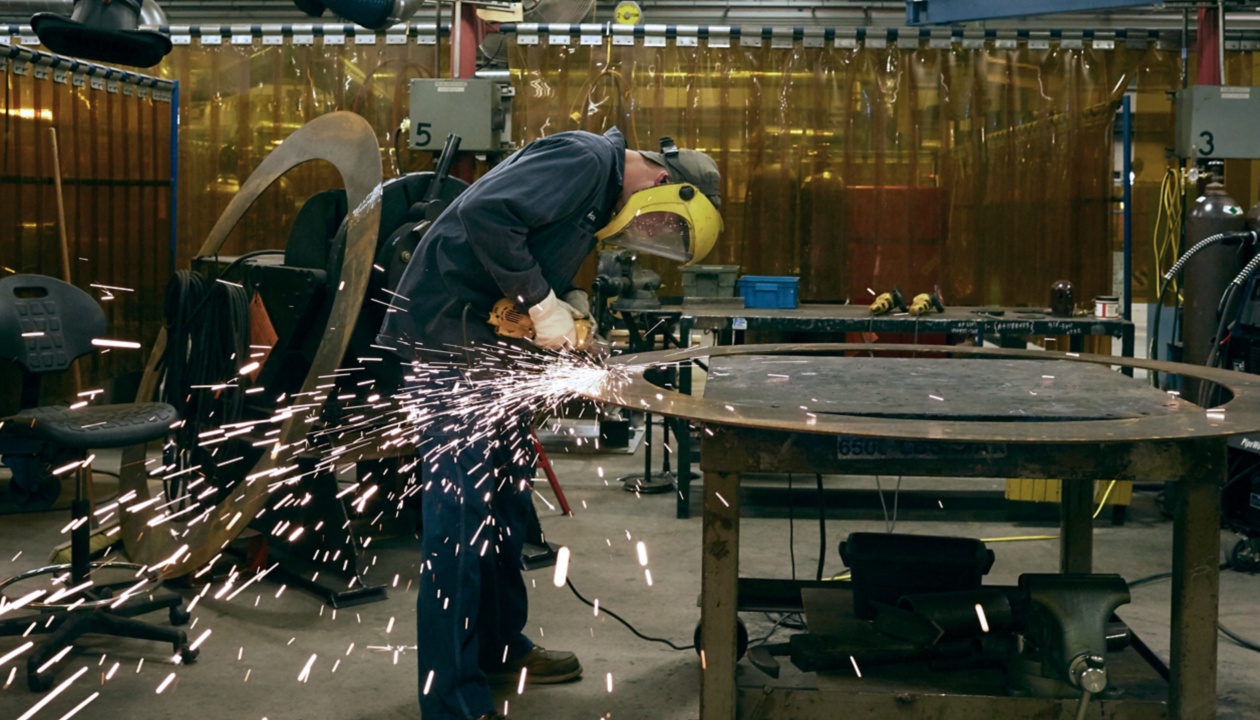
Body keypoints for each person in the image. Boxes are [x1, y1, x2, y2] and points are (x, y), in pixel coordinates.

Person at [378, 126, 722, 720]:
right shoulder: (587, 160)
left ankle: (501, 647)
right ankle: (451, 700)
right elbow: (489, 213)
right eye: (662, 228)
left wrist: (571, 305)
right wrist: (540, 304)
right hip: (448, 344)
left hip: (488, 356)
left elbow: (535, 248)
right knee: (459, 527)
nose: (648, 237)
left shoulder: (598, 194)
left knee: (507, 510)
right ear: (667, 188)